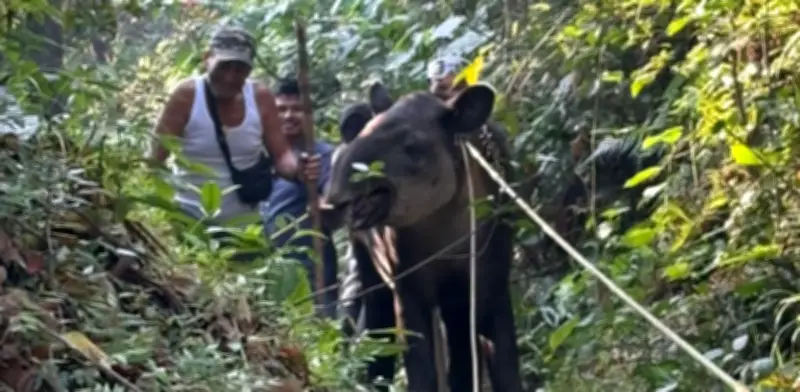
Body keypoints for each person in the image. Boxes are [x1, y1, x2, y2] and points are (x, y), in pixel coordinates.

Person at [150, 26, 320, 257]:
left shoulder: (260, 97)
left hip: (245, 226)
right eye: (224, 66)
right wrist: (155, 214)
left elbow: (281, 156)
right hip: (191, 223)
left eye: (240, 69)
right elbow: (155, 161)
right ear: (207, 59)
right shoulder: (187, 95)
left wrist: (299, 168)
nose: (230, 77)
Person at [261, 77, 339, 318]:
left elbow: (333, 196)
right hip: (264, 266)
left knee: (318, 332)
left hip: (310, 268)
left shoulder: (322, 156)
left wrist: (322, 203)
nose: (289, 116)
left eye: (298, 109)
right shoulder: (258, 153)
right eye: (281, 109)